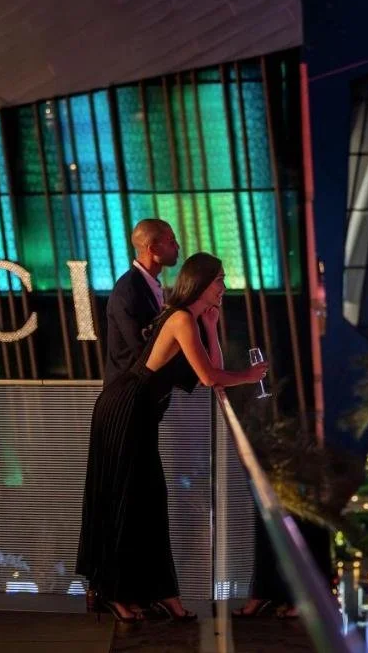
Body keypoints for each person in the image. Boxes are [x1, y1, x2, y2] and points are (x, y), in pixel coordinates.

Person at [77, 252, 268, 623]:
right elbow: (213, 377)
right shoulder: (180, 319)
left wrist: (212, 328)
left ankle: (165, 596)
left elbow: (205, 373)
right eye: (219, 281)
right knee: (127, 503)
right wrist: (251, 375)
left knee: (149, 502)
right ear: (200, 282)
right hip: (125, 411)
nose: (223, 288)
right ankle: (115, 594)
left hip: (140, 416)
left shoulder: (189, 320)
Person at [104, 219, 180, 385]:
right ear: (153, 249)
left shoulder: (148, 284)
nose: (177, 247)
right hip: (126, 397)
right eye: (171, 241)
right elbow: (144, 350)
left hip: (141, 393)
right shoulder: (129, 291)